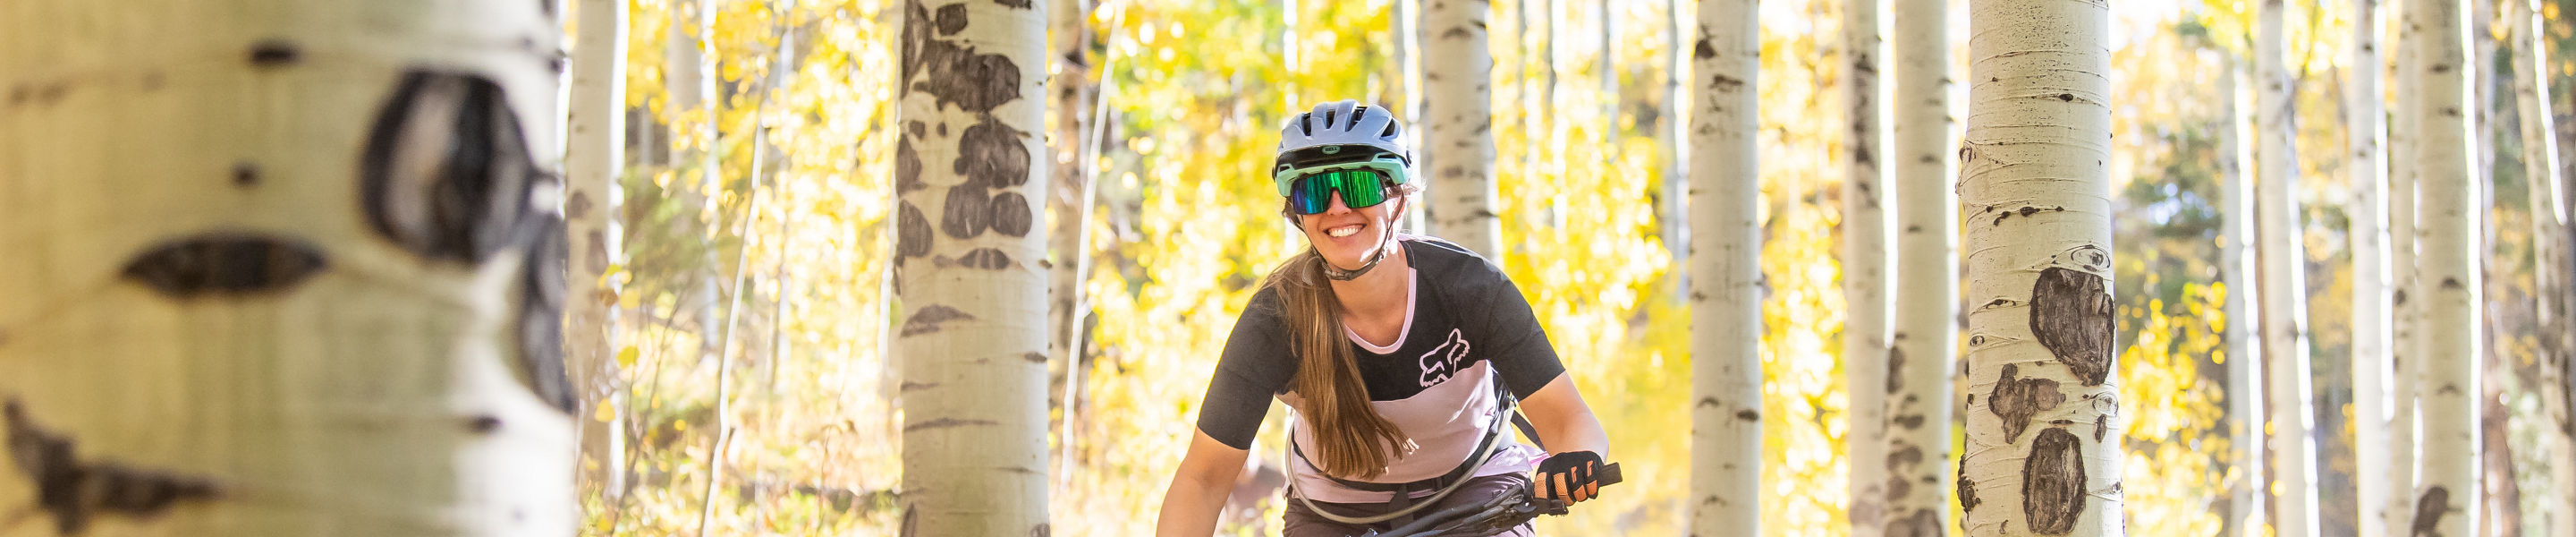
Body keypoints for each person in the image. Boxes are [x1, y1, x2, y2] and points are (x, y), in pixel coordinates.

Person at [1154, 100, 1611, 537]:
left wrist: (1577, 459)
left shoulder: (1470, 290)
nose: (1336, 207)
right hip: (1333, 512)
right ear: (1297, 214)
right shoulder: (1275, 320)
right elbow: (1204, 478)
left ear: (1399, 199)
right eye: (1314, 192)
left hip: (1473, 489)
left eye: (1358, 187)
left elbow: (1569, 419)